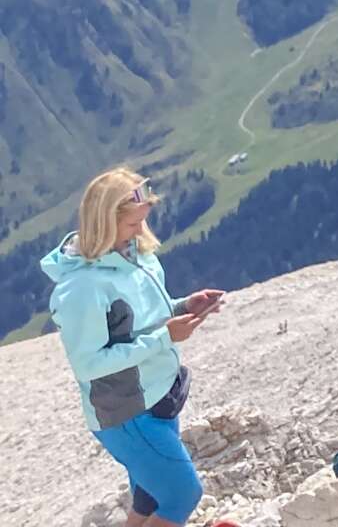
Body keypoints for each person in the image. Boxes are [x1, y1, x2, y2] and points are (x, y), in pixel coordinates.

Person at [42, 168, 236, 527]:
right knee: (181, 494)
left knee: (149, 495)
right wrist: (165, 338)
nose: (141, 232)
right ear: (104, 222)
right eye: (133, 225)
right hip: (126, 412)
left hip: (159, 394)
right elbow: (89, 364)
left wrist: (184, 307)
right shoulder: (82, 287)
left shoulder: (137, 255)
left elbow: (143, 321)